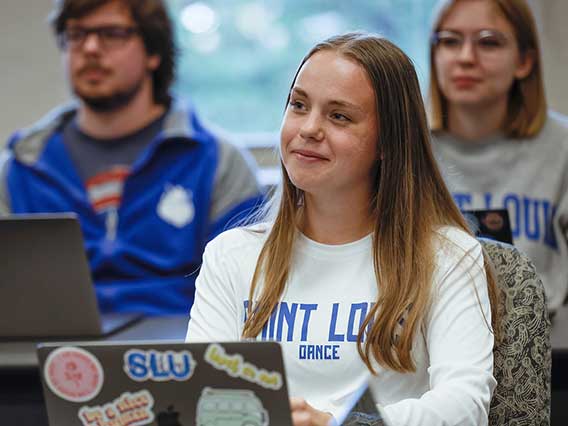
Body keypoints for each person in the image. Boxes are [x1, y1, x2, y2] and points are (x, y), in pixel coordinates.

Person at [186, 32, 500, 426]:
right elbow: (201, 404)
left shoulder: (448, 256)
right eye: (299, 105)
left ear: (389, 141)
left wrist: (335, 423)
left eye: (339, 116)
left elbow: (466, 407)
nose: (309, 128)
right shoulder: (230, 255)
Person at [0, 0, 263, 315]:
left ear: (153, 53)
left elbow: (246, 298)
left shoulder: (219, 161)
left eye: (112, 34)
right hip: (49, 354)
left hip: (181, 352)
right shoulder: (21, 167)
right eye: (77, 34)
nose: (91, 48)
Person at [428, 0, 568, 313]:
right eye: (450, 41)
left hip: (543, 344)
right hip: (430, 342)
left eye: (488, 42)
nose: (466, 58)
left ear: (524, 61)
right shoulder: (406, 146)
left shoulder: (563, 148)